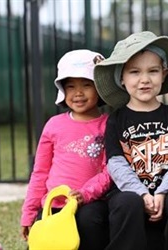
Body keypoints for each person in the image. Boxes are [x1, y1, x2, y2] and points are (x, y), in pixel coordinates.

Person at [93, 31, 168, 250]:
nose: (144, 79)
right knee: (127, 202)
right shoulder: (116, 119)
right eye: (135, 72)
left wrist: (162, 192)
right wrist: (142, 193)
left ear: (164, 74)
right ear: (121, 79)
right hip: (128, 192)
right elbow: (115, 162)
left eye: (153, 71)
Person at [20, 49, 111, 250]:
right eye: (70, 86)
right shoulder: (53, 125)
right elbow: (40, 172)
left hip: (90, 204)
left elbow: (109, 171)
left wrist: (85, 194)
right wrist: (29, 212)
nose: (78, 93)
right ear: (62, 90)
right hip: (53, 204)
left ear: (100, 88)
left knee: (89, 223)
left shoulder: (108, 125)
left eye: (87, 85)